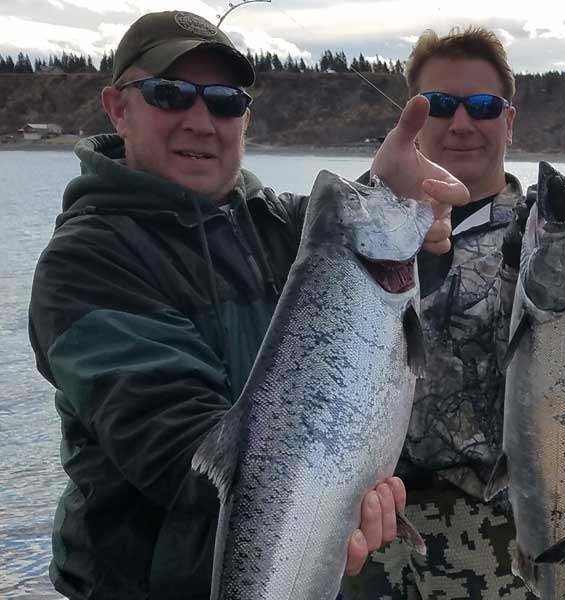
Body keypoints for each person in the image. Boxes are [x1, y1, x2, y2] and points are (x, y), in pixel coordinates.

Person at [26, 11, 468, 599]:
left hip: (311, 568)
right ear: (116, 107)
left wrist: (405, 207)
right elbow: (181, 456)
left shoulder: (284, 224)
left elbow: (371, 294)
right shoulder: (85, 263)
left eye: (225, 101)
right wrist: (330, 500)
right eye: (169, 94)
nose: (200, 121)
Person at [340, 27, 536, 600]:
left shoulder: (552, 243)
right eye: (442, 106)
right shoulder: (360, 236)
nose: (461, 124)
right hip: (367, 541)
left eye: (482, 106)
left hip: (502, 548)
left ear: (509, 120)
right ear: (413, 118)